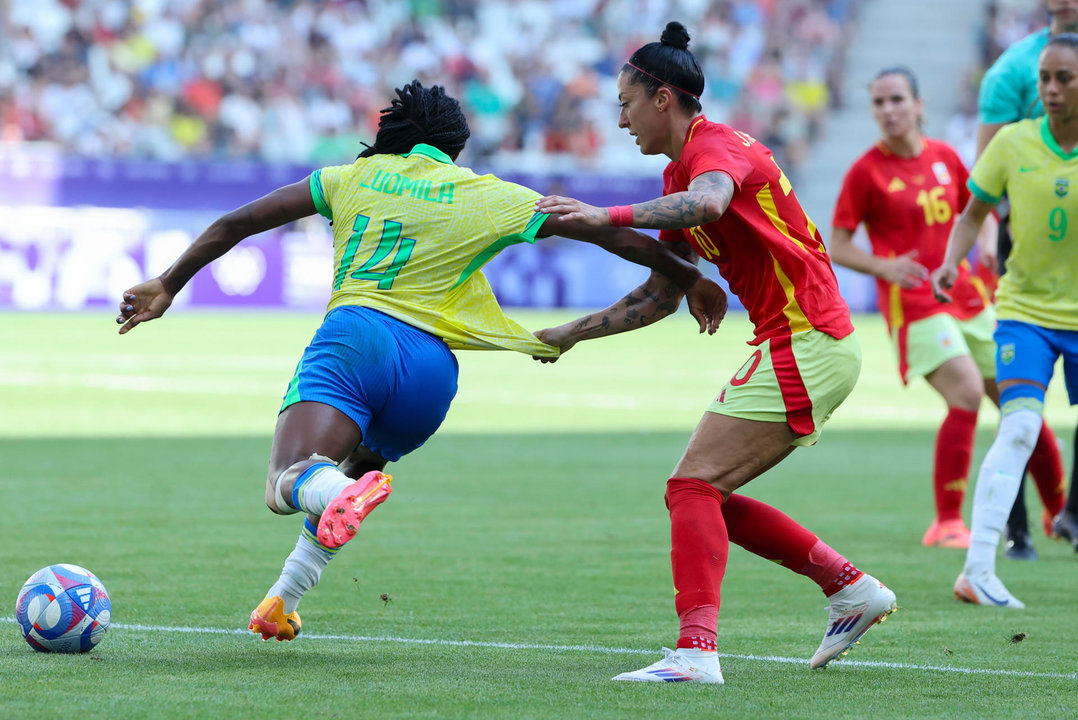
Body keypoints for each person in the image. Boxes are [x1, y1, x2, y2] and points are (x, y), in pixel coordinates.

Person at [115, 80, 728, 642]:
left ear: (390, 134)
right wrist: (686, 275)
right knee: (352, 472)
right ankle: (282, 599)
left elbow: (237, 222)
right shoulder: (485, 194)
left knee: (288, 483)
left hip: (357, 339)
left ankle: (333, 494)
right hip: (432, 378)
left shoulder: (350, 178)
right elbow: (600, 230)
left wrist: (169, 283)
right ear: (453, 147)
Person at [533, 22, 895, 684]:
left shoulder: (718, 151)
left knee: (691, 487)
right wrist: (568, 335)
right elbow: (661, 295)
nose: (619, 120)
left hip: (806, 338)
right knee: (705, 497)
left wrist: (603, 216)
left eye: (625, 102)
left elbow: (705, 204)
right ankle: (850, 590)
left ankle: (696, 653)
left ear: (662, 98)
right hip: (806, 342)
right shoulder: (682, 167)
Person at [829, 67, 1065, 552]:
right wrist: (884, 267)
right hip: (915, 305)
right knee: (964, 389)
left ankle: (1061, 514)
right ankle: (947, 522)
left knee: (1021, 405)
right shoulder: (866, 171)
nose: (887, 111)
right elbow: (839, 244)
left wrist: (982, 247)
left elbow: (976, 208)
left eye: (896, 99)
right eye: (878, 103)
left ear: (918, 105)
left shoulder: (944, 158)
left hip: (970, 298)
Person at [932, 33, 1078, 608]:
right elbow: (972, 213)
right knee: (1018, 427)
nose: (1051, 89)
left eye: (1064, 78)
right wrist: (950, 262)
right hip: (1027, 314)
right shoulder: (1013, 143)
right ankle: (978, 569)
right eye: (1045, 78)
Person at [976, 0, 1078, 554]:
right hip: (1031, 248)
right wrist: (1004, 230)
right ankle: (1012, 527)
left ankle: (1073, 515)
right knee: (1018, 405)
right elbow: (985, 169)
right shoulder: (1013, 70)